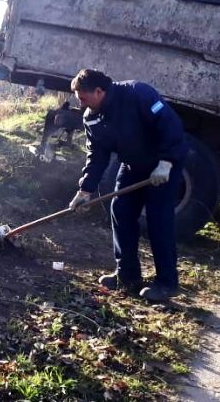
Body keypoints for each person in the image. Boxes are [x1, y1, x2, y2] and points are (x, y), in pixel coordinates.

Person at [67, 69, 188, 302]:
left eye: (83, 98)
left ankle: (167, 283)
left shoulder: (137, 94)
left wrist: (166, 162)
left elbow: (169, 125)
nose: (80, 103)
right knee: (120, 210)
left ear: (99, 91)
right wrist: (85, 189)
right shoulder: (91, 117)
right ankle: (127, 275)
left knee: (158, 219)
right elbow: (97, 156)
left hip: (163, 165)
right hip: (133, 165)